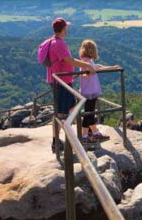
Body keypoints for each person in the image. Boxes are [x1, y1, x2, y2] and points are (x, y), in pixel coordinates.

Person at [45, 18, 96, 153]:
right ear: (63, 29)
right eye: (66, 27)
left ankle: (79, 134)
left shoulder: (52, 41)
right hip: (62, 82)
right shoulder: (58, 43)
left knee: (71, 108)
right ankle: (60, 141)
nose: (67, 30)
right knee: (61, 113)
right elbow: (70, 61)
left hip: (60, 80)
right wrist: (87, 65)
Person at [78, 39, 120, 144]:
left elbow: (97, 66)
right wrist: (110, 68)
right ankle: (84, 136)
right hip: (89, 92)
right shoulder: (85, 61)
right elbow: (95, 69)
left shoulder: (86, 60)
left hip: (90, 91)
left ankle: (95, 134)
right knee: (89, 114)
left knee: (90, 113)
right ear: (92, 50)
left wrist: (111, 67)